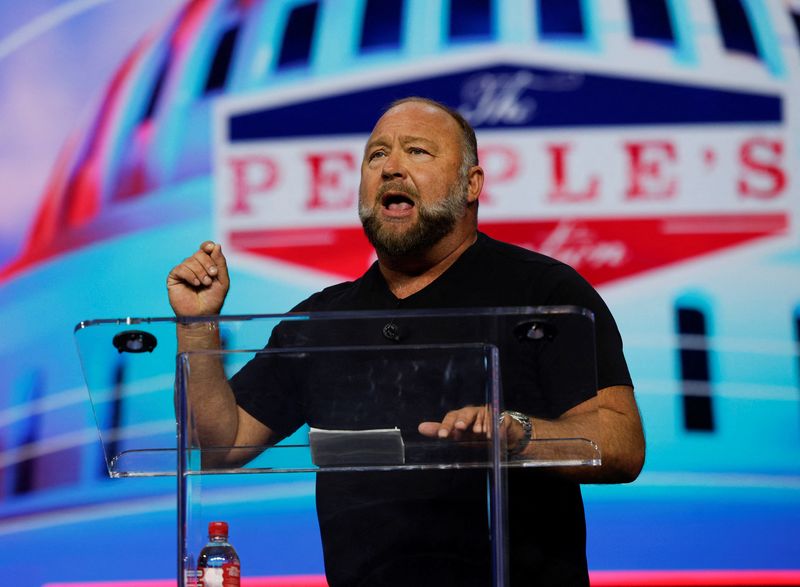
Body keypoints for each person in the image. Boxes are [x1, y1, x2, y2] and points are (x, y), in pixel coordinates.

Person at [168, 97, 645, 586]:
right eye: (377, 155)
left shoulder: (543, 294)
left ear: (472, 185)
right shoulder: (322, 320)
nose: (391, 168)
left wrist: (516, 434)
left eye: (417, 152)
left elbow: (623, 443)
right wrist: (196, 326)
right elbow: (220, 446)